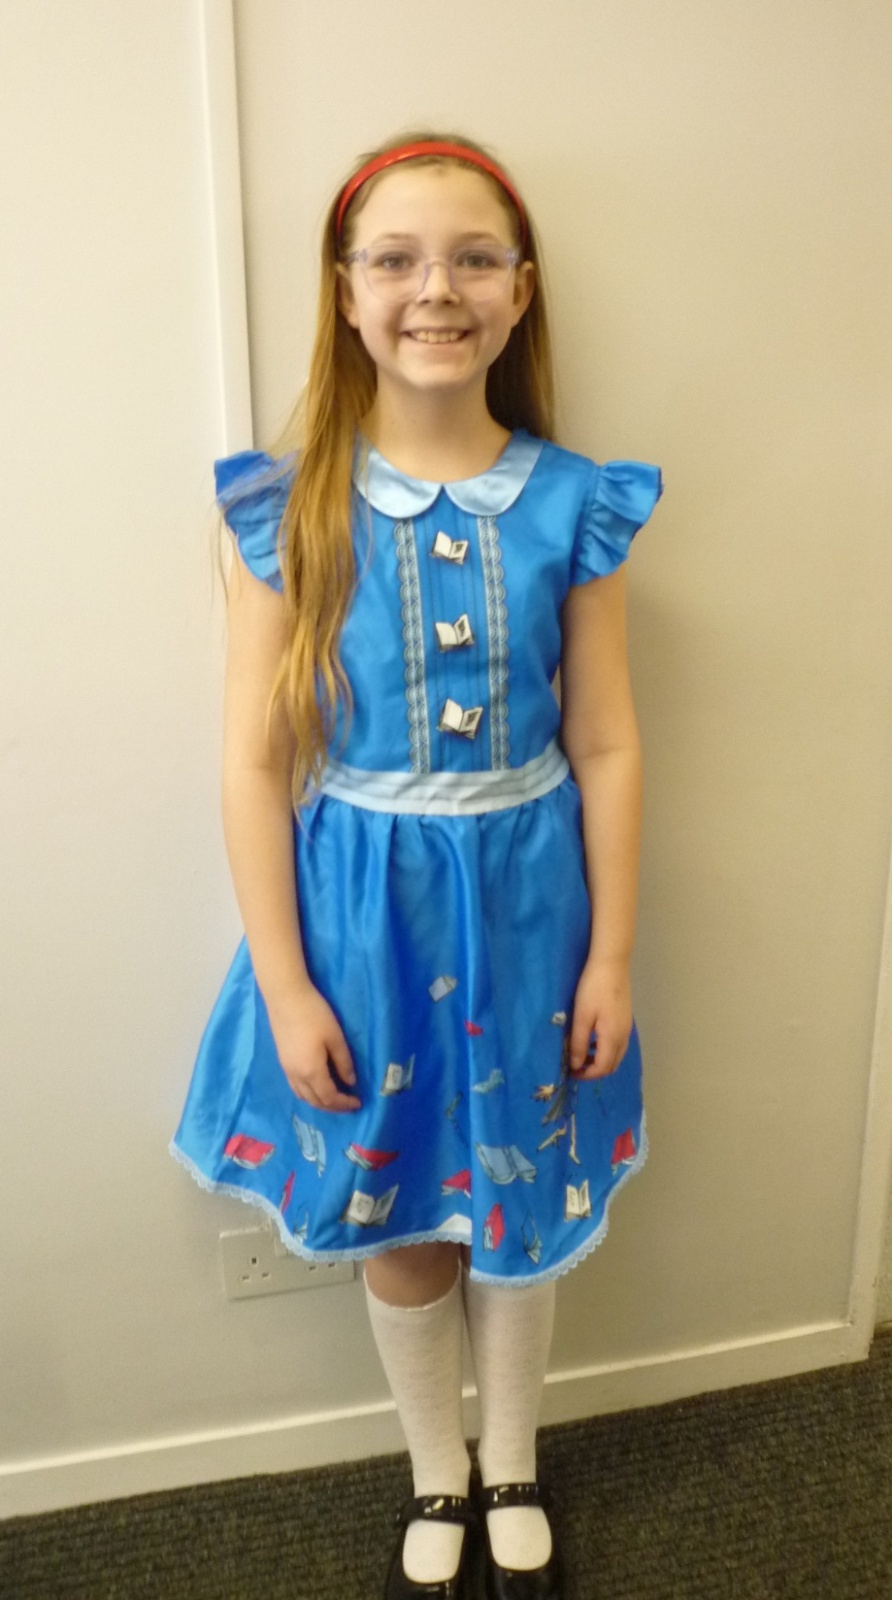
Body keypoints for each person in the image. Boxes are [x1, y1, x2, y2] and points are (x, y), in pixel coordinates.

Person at [170, 131, 662, 1600]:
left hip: (529, 919)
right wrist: (285, 986)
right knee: (401, 1214)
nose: (434, 289)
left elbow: (608, 742)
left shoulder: (575, 503)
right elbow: (253, 764)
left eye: (471, 259)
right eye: (394, 259)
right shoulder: (289, 508)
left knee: (513, 1208)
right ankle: (434, 1468)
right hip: (360, 929)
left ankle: (511, 1457)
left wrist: (611, 955)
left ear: (521, 289)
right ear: (345, 291)